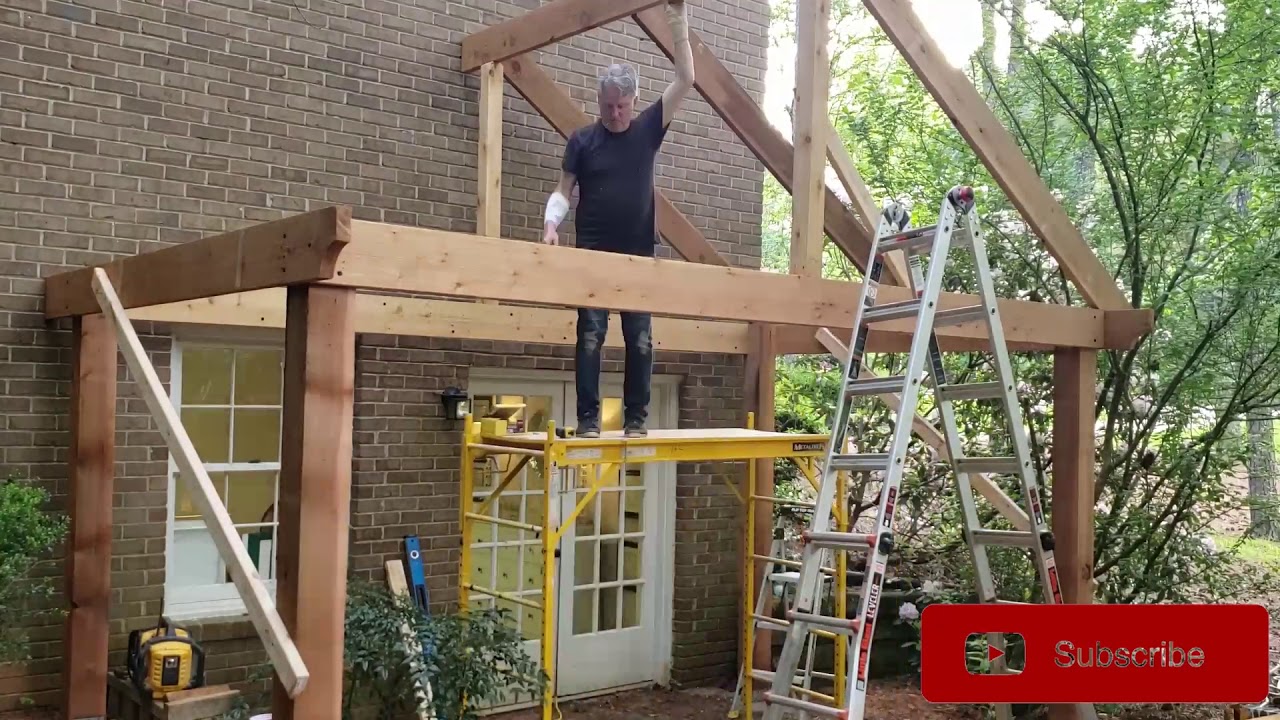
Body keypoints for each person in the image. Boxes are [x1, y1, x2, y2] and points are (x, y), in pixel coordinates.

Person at [540, 1, 695, 439]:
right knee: (590, 332)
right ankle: (588, 419)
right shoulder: (583, 141)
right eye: (608, 106)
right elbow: (562, 189)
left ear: (633, 101)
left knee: (640, 337)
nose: (614, 114)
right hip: (592, 251)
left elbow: (687, 79)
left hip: (638, 251)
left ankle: (636, 420)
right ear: (599, 101)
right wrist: (551, 225)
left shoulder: (648, 129)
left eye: (621, 106)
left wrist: (677, 19)